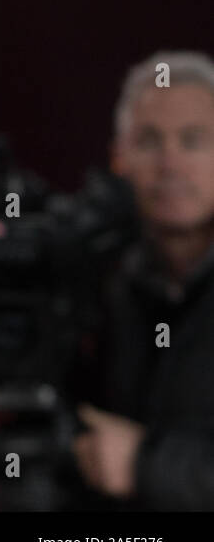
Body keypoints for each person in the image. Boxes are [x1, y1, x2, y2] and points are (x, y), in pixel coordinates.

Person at [73, 50, 214, 509]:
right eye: (150, 141)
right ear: (119, 157)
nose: (170, 164)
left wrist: (144, 466)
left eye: (193, 140)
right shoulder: (102, 283)